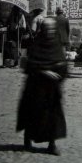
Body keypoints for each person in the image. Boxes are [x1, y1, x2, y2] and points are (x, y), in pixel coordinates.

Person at [16, 15, 67, 155]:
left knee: (53, 117)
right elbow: (30, 66)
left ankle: (52, 144)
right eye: (47, 28)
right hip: (36, 89)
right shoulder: (36, 45)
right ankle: (27, 140)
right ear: (42, 29)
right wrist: (45, 72)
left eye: (52, 28)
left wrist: (60, 71)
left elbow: (62, 63)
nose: (50, 31)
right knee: (32, 114)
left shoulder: (57, 44)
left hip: (52, 90)